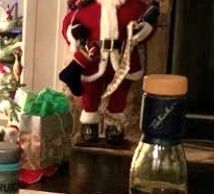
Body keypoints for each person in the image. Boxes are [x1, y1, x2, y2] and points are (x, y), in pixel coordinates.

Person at [59, 0, 157, 145]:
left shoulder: (136, 6)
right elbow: (68, 24)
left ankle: (114, 126)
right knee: (90, 91)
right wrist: (73, 33)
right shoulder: (85, 7)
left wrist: (144, 30)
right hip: (94, 60)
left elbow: (149, 26)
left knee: (120, 93)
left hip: (123, 58)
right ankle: (89, 124)